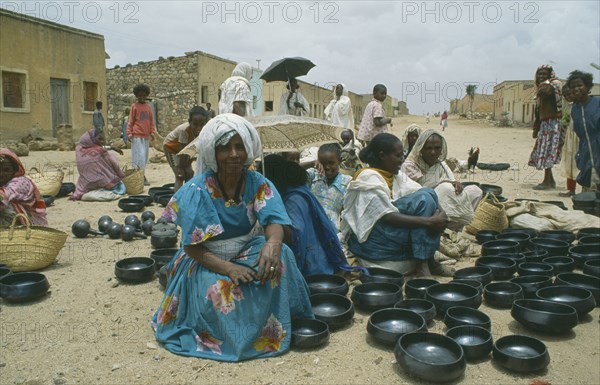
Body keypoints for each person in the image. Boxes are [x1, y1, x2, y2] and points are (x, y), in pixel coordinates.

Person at [153, 114, 313, 362]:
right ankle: (233, 336)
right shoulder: (198, 189)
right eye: (225, 148)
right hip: (207, 257)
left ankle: (278, 321)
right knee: (218, 289)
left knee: (281, 257)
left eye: (239, 147)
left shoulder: (257, 182)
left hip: (245, 249)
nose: (234, 154)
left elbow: (274, 220)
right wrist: (229, 269)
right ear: (213, 153)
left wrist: (272, 242)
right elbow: (193, 248)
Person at [340, 133, 449, 278]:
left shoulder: (392, 175)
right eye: (398, 156)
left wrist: (441, 213)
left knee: (428, 194)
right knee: (424, 201)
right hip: (371, 244)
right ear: (382, 155)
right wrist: (431, 222)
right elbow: (388, 217)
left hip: (387, 237)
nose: (402, 160)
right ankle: (423, 265)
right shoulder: (368, 177)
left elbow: (425, 192)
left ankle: (428, 261)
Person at [263, 154, 357, 276]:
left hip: (313, 265)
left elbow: (295, 235)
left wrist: (275, 221)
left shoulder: (293, 199)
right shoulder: (298, 190)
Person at [401, 129, 483, 231]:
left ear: (441, 149)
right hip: (425, 208)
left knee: (475, 191)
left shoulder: (441, 165)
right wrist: (445, 184)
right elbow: (412, 193)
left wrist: (456, 184)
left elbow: (452, 182)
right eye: (428, 148)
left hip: (445, 207)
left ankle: (451, 229)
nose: (433, 152)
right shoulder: (409, 165)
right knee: (445, 189)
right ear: (421, 148)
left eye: (437, 148)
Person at [528, 64, 563, 190]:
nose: (541, 76)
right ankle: (550, 180)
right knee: (546, 150)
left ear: (550, 74)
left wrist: (543, 85)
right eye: (539, 74)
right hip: (545, 123)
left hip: (552, 122)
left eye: (544, 74)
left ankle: (546, 181)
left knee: (548, 151)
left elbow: (546, 92)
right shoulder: (544, 86)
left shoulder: (553, 85)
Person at [163, 106, 210, 191]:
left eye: (201, 124)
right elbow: (183, 151)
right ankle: (177, 202)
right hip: (171, 148)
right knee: (180, 175)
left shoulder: (206, 131)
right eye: (195, 124)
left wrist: (188, 165)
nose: (198, 128)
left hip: (185, 150)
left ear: (206, 123)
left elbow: (192, 150)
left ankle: (187, 197)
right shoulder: (184, 130)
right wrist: (181, 167)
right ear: (189, 122)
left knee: (189, 174)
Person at [305, 143, 351, 230]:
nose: (327, 167)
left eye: (331, 163)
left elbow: (347, 211)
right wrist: (312, 163)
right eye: (322, 163)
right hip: (310, 224)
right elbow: (294, 170)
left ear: (340, 161)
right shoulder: (314, 175)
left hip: (331, 230)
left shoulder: (347, 182)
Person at [71, 129, 126, 201]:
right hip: (102, 181)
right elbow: (115, 164)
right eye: (99, 139)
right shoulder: (100, 151)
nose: (102, 142)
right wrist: (121, 175)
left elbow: (97, 147)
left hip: (86, 183)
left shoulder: (78, 149)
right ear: (92, 139)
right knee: (121, 187)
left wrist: (111, 147)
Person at [567, 70, 600, 191]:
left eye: (579, 85)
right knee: (588, 191)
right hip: (585, 150)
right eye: (573, 87)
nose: (576, 89)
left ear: (587, 86)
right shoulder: (575, 109)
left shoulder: (597, 103)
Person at [0, 148, 47, 226]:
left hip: (32, 224)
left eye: (6, 170)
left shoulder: (21, 182)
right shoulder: (3, 181)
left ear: (15, 170)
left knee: (6, 203)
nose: (1, 174)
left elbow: (4, 195)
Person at [127, 84, 156, 186]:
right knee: (139, 157)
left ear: (146, 95)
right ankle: (140, 176)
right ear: (136, 96)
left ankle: (141, 175)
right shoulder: (134, 106)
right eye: (140, 95)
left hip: (146, 136)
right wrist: (129, 133)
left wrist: (152, 132)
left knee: (145, 157)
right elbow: (130, 120)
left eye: (144, 95)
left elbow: (151, 121)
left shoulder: (148, 107)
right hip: (137, 135)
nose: (142, 97)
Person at [559, 84, 579, 197]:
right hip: (570, 136)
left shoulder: (581, 106)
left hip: (579, 137)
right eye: (565, 95)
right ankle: (571, 189)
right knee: (569, 162)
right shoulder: (568, 106)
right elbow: (565, 121)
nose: (568, 97)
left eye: (569, 94)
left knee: (579, 163)